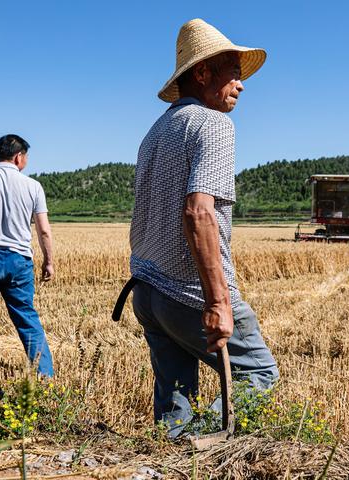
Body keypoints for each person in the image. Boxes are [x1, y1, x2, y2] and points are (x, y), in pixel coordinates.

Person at [126, 18, 279, 437]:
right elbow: (198, 213)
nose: (241, 84)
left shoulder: (155, 131)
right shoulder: (214, 124)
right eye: (233, 71)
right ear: (202, 72)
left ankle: (172, 456)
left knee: (175, 407)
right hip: (188, 293)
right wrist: (218, 301)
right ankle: (204, 445)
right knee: (259, 373)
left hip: (147, 291)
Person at [0, 134, 54, 377]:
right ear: (19, 157)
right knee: (28, 320)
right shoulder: (33, 186)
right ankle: (45, 377)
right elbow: (44, 230)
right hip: (19, 260)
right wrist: (48, 262)